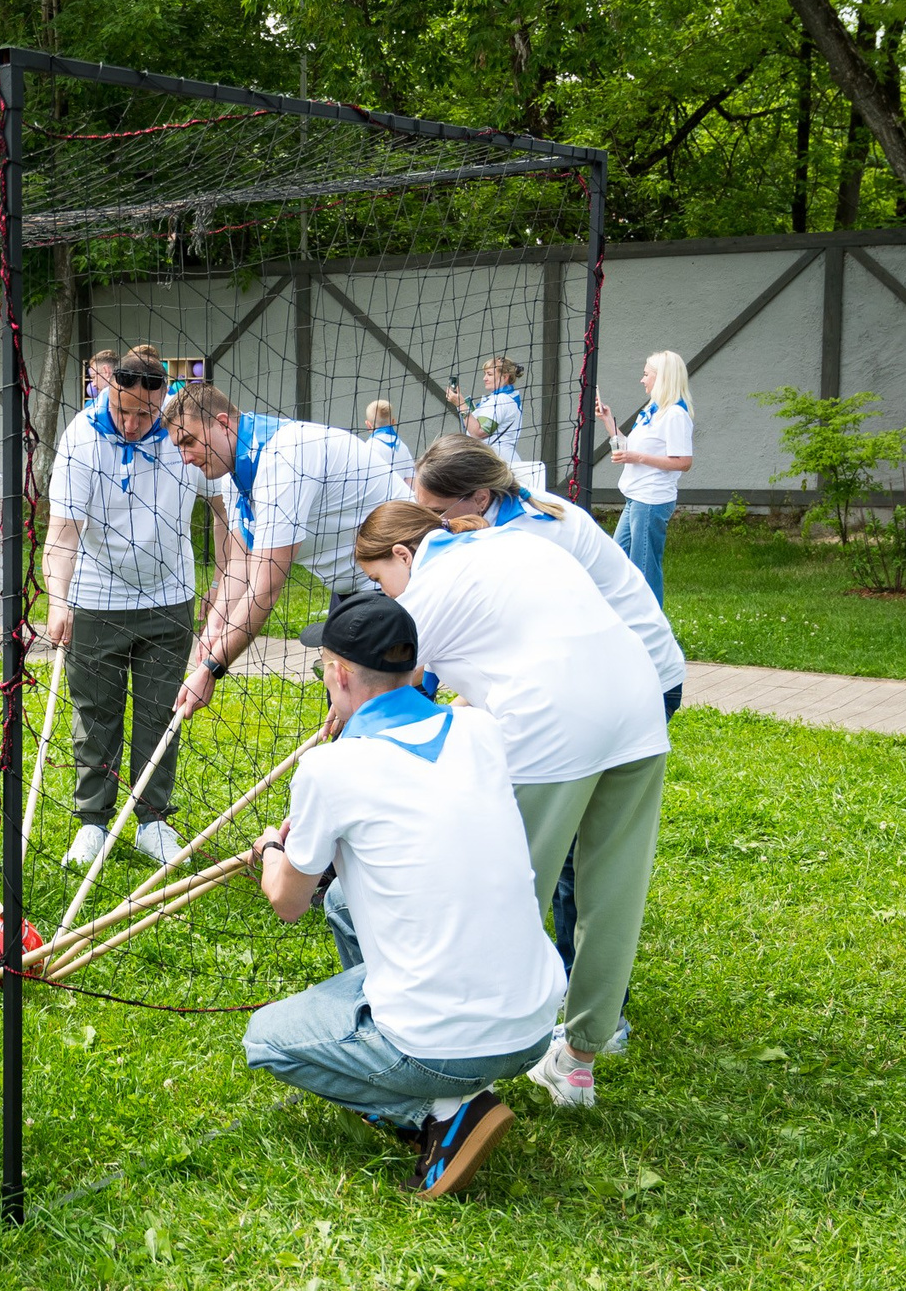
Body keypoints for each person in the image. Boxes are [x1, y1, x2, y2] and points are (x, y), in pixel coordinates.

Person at [240, 594, 564, 1197]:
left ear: (338, 674)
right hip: (536, 1024)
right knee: (343, 905)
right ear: (413, 669)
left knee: (265, 1041)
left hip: (449, 1045)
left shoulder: (329, 769)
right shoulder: (480, 729)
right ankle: (436, 1070)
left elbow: (287, 902)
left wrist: (271, 850)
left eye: (323, 668)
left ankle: (439, 1114)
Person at [354, 500, 667, 1112]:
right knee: (613, 897)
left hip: (556, 728)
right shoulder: (514, 541)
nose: (381, 594)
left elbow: (391, 710)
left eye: (377, 580)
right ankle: (577, 1063)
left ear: (402, 554)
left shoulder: (425, 594)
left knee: (504, 896)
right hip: (639, 705)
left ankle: (473, 1063)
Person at [412, 435, 684, 1029]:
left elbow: (454, 647)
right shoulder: (517, 512)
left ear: (478, 497)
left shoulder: (527, 535)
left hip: (623, 682)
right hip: (627, 686)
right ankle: (583, 1019)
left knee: (561, 861)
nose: (426, 528)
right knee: (590, 866)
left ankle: (541, 1004)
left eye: (435, 514)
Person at [43, 347, 216, 869]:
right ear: (108, 393)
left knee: (161, 712)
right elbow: (63, 531)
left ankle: (151, 820)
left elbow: (223, 508)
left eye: (145, 414)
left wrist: (226, 583)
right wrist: (58, 600)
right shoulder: (81, 436)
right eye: (124, 412)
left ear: (162, 399)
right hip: (97, 596)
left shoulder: (184, 434)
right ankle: (93, 821)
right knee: (95, 714)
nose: (135, 423)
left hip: (169, 596)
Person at [162, 381, 399, 717]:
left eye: (189, 441)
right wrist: (214, 625)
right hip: (352, 588)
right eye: (178, 447)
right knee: (347, 712)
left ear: (223, 423)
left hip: (398, 580)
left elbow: (265, 588)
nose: (185, 457)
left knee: (386, 716)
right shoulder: (233, 473)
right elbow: (240, 563)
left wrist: (212, 668)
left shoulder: (281, 458)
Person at [598, 350, 693, 602]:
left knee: (644, 569)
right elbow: (632, 447)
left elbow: (683, 462)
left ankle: (652, 630)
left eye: (646, 374)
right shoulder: (653, 410)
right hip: (636, 498)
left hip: (651, 501)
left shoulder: (674, 415)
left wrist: (636, 458)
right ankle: (628, 619)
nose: (642, 379)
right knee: (618, 558)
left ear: (662, 378)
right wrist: (608, 420)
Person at [363, 399, 416, 491]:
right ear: (393, 421)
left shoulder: (369, 446)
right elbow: (411, 481)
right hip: (399, 501)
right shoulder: (403, 447)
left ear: (368, 425)